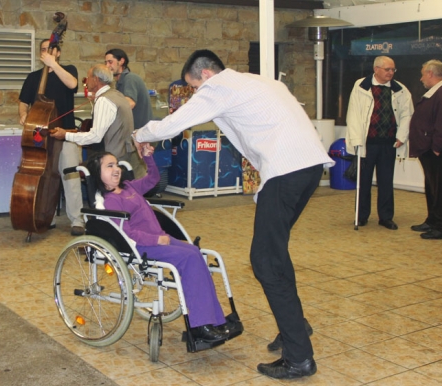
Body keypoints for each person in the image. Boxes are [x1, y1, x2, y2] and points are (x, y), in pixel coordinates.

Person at [132, 49, 333, 380]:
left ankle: (299, 358)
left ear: (206, 75)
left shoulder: (218, 87)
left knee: (265, 261)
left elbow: (174, 124)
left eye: (194, 86)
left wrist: (140, 135)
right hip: (308, 168)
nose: (196, 93)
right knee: (275, 253)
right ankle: (294, 327)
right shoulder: (257, 82)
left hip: (286, 170)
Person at [87, 146, 228, 343]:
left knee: (196, 253)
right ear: (97, 173)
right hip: (143, 246)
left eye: (117, 164)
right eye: (109, 166)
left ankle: (214, 320)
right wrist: (156, 240)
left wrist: (148, 157)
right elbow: (127, 233)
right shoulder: (111, 201)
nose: (116, 169)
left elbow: (153, 179)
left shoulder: (129, 187)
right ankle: (199, 326)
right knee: (189, 259)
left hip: (160, 239)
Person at [19, 39, 84, 236]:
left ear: (58, 53)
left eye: (50, 49)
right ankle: (46, 217)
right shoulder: (33, 78)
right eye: (43, 50)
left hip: (66, 134)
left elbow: (72, 84)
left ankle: (77, 220)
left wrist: (53, 64)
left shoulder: (69, 70)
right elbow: (23, 102)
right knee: (44, 177)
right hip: (41, 137)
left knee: (70, 176)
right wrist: (23, 115)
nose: (45, 52)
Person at [346, 56, 414, 230]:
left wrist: (402, 136)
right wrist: (356, 140)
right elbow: (353, 114)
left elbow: (407, 114)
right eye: (387, 69)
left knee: (386, 181)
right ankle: (361, 216)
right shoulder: (361, 86)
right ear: (376, 69)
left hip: (388, 143)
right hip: (367, 142)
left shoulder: (400, 90)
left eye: (393, 70)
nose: (391, 73)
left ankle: (386, 217)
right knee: (364, 181)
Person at [51, 64, 145, 178]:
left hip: (111, 160)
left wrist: (65, 135)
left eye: (88, 78)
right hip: (124, 157)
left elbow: (95, 137)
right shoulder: (117, 95)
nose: (86, 82)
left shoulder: (104, 100)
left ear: (95, 79)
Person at [409, 59, 442, 240]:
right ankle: (433, 220)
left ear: (431, 74)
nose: (421, 79)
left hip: (439, 152)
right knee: (432, 186)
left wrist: (437, 147)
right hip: (430, 151)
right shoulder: (436, 92)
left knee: (441, 189)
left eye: (423, 74)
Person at [105, 48, 153, 129]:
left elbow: (130, 104)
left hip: (138, 133)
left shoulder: (130, 78)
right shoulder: (120, 82)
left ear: (121, 61)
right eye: (106, 63)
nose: (107, 66)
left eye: (110, 62)